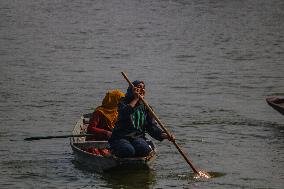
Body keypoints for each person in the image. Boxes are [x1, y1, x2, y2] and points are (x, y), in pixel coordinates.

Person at [108, 80, 174, 158]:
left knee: (144, 150)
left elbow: (151, 127)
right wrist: (136, 99)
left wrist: (165, 135)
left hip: (138, 137)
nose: (141, 89)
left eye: (143, 88)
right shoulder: (123, 102)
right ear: (132, 89)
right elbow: (125, 113)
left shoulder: (146, 107)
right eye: (139, 87)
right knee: (128, 150)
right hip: (121, 137)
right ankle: (114, 151)